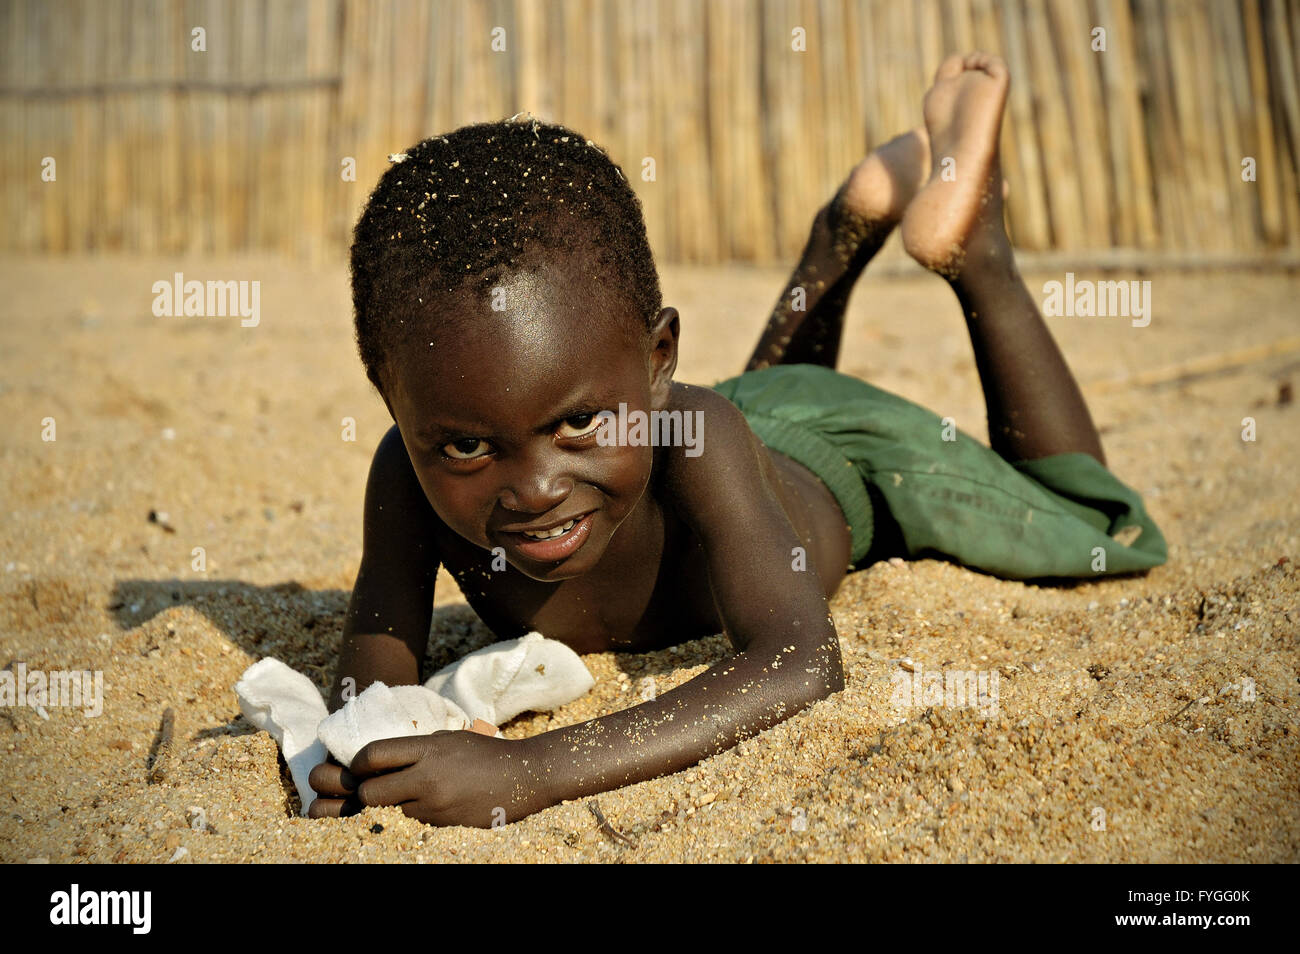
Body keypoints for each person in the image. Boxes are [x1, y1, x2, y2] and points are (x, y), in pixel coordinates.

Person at [308, 52, 1165, 826]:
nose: (533, 489)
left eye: (575, 425)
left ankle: (976, 248)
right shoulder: (405, 480)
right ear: (395, 409)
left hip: (849, 459)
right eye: (464, 448)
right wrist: (365, 751)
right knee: (721, 426)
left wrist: (531, 768)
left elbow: (799, 661)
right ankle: (844, 229)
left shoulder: (696, 435)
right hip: (741, 417)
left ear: (659, 363)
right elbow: (373, 686)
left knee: (1090, 516)